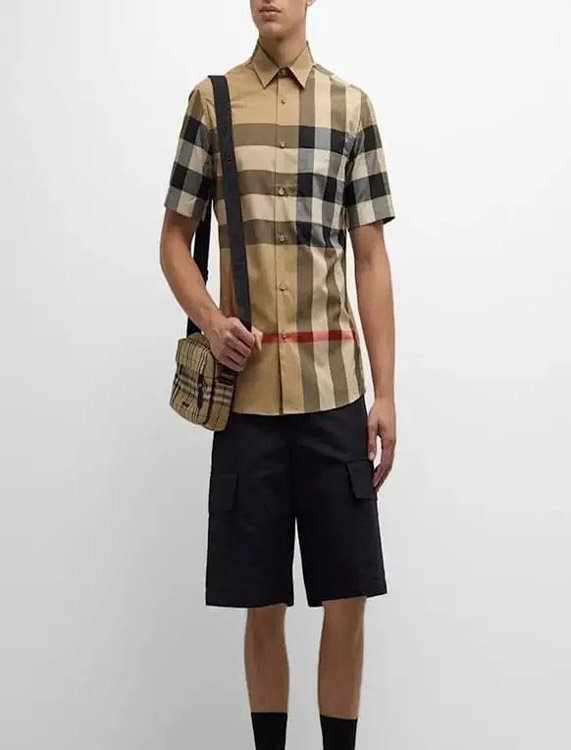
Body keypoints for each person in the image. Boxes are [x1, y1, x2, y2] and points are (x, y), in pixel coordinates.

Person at [159, 1, 396, 748]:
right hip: (248, 403)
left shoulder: (351, 107)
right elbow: (173, 239)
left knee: (348, 596)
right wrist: (209, 318)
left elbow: (370, 259)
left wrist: (386, 392)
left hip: (335, 394)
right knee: (262, 601)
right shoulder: (213, 103)